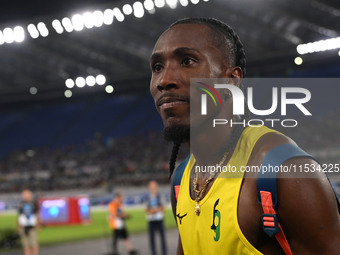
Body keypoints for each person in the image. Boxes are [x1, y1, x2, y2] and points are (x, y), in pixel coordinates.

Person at [149, 17, 340, 254]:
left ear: (232, 80)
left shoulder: (286, 172)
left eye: (187, 61)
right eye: (157, 67)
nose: (164, 81)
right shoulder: (182, 178)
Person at [146, 180, 167, 255]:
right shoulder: (147, 196)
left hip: (159, 219)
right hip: (151, 220)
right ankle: (153, 253)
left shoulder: (160, 196)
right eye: (151, 186)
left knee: (162, 238)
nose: (153, 188)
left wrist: (155, 210)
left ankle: (164, 252)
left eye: (154, 186)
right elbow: (146, 208)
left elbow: (164, 207)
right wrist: (150, 211)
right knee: (152, 239)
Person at [17, 189, 40, 255]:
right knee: (25, 245)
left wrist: (38, 223)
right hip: (23, 226)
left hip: (32, 226)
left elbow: (37, 214)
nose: (25, 196)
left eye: (26, 195)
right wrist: (19, 226)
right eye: (24, 195)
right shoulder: (21, 204)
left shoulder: (33, 203)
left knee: (34, 244)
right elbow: (20, 216)